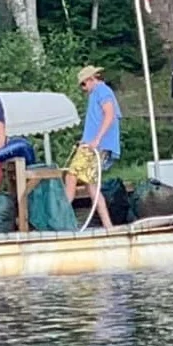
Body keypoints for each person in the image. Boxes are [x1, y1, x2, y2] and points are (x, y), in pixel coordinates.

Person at [65, 65, 121, 230]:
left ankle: (62, 218)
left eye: (83, 84)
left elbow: (109, 114)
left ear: (91, 79)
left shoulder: (102, 91)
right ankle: (108, 225)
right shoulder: (96, 94)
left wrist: (96, 139)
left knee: (71, 176)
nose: (83, 89)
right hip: (91, 143)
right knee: (92, 186)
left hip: (96, 146)